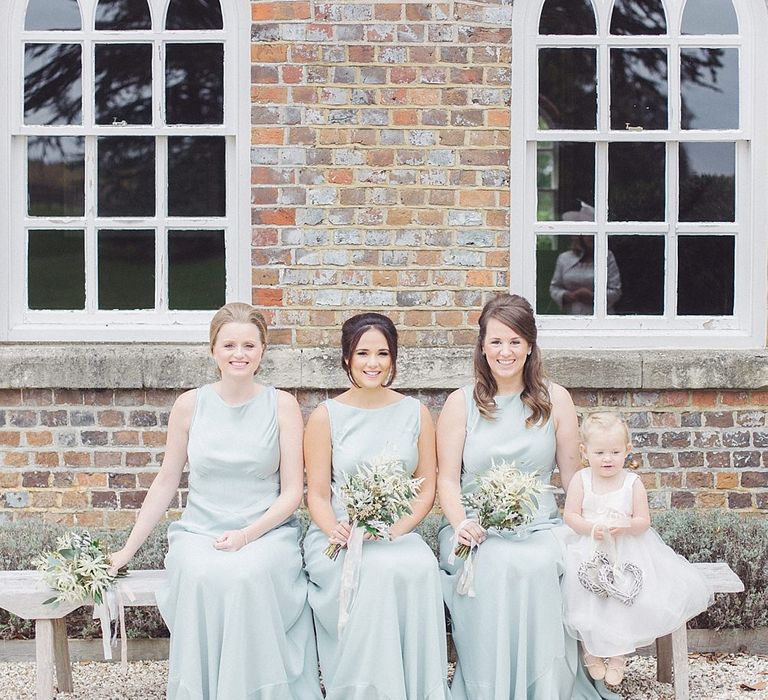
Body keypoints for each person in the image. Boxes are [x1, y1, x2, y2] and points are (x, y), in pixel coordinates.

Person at [109, 302, 322, 699]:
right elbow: (165, 482)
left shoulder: (283, 405)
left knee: (245, 576)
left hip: (265, 533)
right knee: (203, 575)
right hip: (200, 531)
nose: (238, 354)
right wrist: (126, 550)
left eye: (248, 345)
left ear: (262, 351)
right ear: (213, 350)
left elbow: (293, 492)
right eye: (229, 345)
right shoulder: (190, 405)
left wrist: (247, 534)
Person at [437, 293, 617, 699]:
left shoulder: (557, 400)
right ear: (482, 345)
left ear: (531, 345)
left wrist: (598, 520)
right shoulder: (460, 403)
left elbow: (573, 478)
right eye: (496, 341)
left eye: (515, 341)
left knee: (539, 565)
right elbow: (447, 480)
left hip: (542, 526)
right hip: (476, 530)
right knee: (497, 565)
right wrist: (460, 523)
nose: (505, 352)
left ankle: (545, 688)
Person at [303, 312, 451, 700]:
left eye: (382, 353)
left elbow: (426, 486)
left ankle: (416, 689)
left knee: (417, 565)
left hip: (395, 532)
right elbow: (316, 493)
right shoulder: (326, 416)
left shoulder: (415, 413)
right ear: (347, 358)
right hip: (338, 534)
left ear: (393, 359)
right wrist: (335, 527)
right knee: (374, 572)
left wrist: (396, 530)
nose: (373, 363)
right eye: (363, 352)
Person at [559, 412, 713, 686]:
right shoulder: (581, 480)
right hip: (588, 549)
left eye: (615, 452)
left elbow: (643, 521)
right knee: (584, 600)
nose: (608, 458)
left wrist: (627, 526)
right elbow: (570, 516)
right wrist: (591, 528)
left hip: (627, 551)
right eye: (600, 452)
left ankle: (619, 658)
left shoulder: (632, 483)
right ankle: (591, 654)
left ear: (628, 450)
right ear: (584, 452)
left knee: (623, 603)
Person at [549, 234, 622, 315]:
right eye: (587, 234)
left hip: (601, 316)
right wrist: (568, 296)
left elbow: (616, 291)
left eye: (593, 234)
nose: (591, 237)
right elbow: (554, 287)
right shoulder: (564, 258)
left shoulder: (607, 256)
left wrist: (592, 297)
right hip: (572, 316)